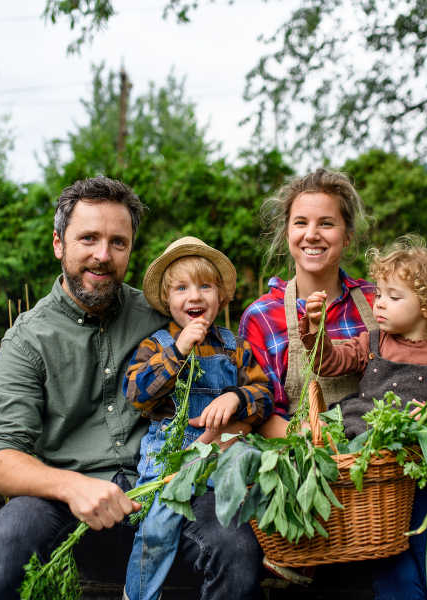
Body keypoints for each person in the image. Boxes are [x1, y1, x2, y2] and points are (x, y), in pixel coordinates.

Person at [0, 177, 264, 600]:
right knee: (11, 535)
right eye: (88, 239)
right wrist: (73, 486)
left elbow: (235, 376)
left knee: (236, 544)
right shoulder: (28, 340)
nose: (102, 255)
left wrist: (233, 422)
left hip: (170, 488)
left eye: (118, 242)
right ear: (59, 243)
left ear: (130, 248)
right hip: (69, 505)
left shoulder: (160, 315)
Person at [238, 169, 427, 597]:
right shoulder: (262, 315)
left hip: (381, 489)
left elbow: (426, 356)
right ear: (287, 232)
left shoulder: (381, 299)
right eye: (301, 222)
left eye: (327, 223)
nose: (313, 234)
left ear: (347, 236)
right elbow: (260, 412)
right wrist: (324, 453)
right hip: (308, 478)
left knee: (396, 567)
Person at [302, 237, 427, 600]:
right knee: (388, 545)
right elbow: (328, 363)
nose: (379, 303)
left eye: (393, 297)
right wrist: (316, 329)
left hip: (412, 467)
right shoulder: (373, 342)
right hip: (368, 460)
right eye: (379, 293)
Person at [123, 237, 273, 600]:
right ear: (167, 300)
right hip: (170, 458)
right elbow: (137, 394)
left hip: (221, 454)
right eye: (181, 288)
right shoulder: (157, 344)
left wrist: (237, 397)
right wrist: (178, 351)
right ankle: (139, 594)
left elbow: (264, 397)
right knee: (157, 527)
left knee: (255, 504)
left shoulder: (234, 346)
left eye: (205, 286)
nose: (195, 296)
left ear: (220, 297)